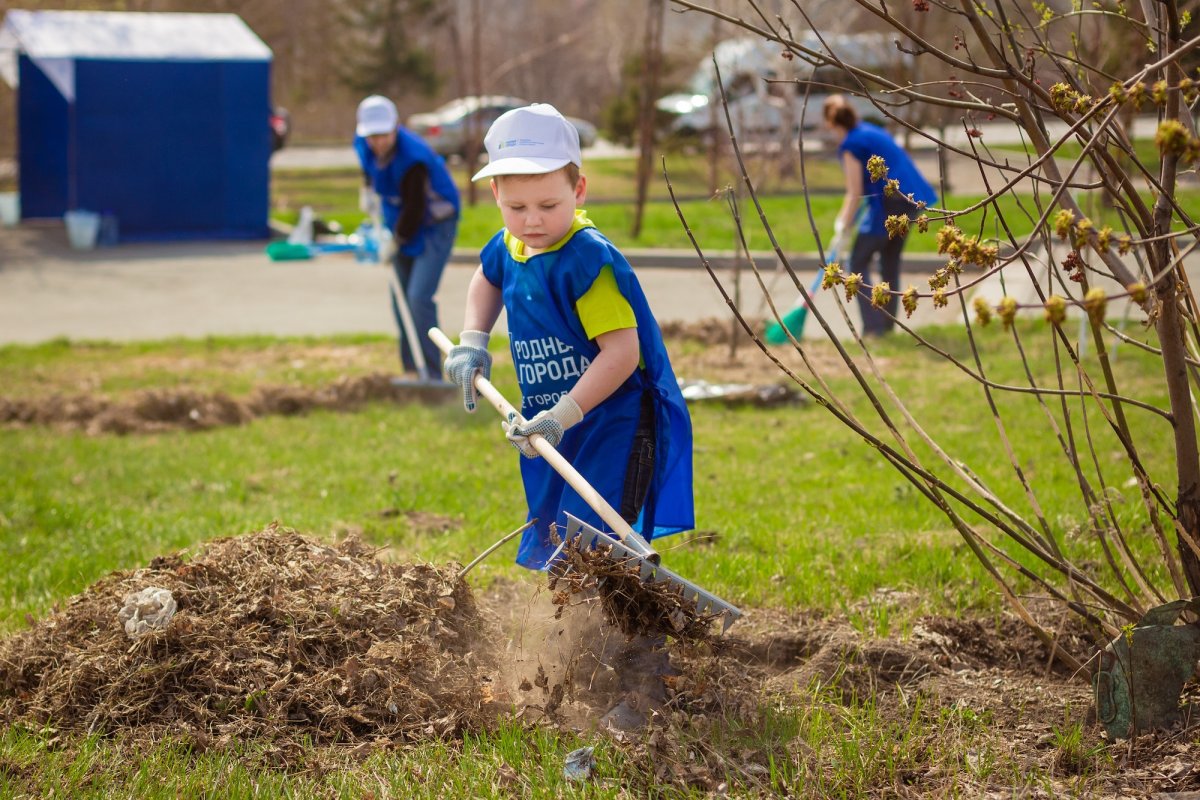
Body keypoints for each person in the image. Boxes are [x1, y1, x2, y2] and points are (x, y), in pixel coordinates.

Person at [442, 103, 693, 730]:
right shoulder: (510, 247)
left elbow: (622, 352)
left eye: (548, 206)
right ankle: (590, 653)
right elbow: (485, 278)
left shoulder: (588, 260)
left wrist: (564, 412)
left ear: (578, 189)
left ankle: (646, 669)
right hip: (556, 428)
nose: (531, 221)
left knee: (600, 542)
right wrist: (474, 339)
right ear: (495, 194)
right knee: (563, 540)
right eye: (516, 206)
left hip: (613, 420)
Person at [353, 94, 461, 377]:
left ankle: (433, 372)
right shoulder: (362, 143)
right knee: (399, 298)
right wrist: (367, 192)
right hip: (399, 220)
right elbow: (368, 168)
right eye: (372, 136)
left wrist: (395, 241)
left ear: (396, 127)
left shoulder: (414, 158)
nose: (378, 142)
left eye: (383, 135)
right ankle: (412, 369)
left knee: (417, 297)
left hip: (435, 222)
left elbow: (416, 206)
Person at [823, 95, 937, 336]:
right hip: (911, 199)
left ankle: (874, 329)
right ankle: (886, 327)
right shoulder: (870, 131)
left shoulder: (851, 145)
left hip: (892, 202)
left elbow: (854, 192)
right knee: (889, 260)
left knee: (858, 263)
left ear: (831, 124)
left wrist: (842, 224)